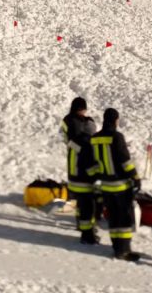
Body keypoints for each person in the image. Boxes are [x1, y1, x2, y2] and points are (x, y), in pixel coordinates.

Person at [89, 108, 141, 261]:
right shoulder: (117, 137)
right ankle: (124, 250)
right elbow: (125, 161)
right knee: (124, 218)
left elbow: (93, 163)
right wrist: (136, 178)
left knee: (113, 218)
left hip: (106, 185)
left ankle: (117, 247)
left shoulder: (95, 138)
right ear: (115, 120)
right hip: (121, 186)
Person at [61, 97, 99, 244]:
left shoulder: (71, 120)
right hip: (80, 165)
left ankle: (82, 224)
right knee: (86, 199)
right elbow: (70, 141)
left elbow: (67, 140)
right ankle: (86, 227)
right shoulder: (71, 122)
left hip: (75, 164)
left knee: (80, 198)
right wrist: (83, 148)